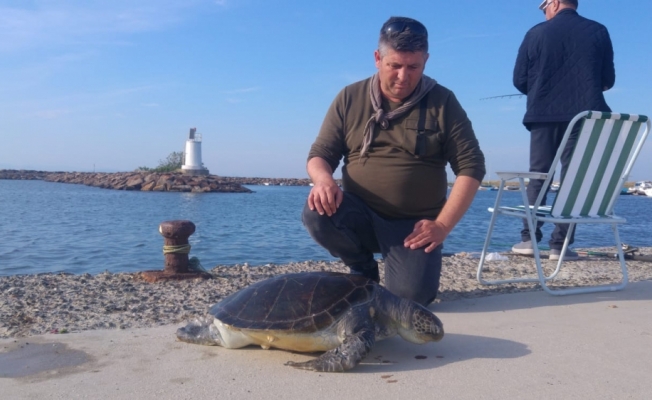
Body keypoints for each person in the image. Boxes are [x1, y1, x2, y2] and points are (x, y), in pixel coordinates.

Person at [302, 16, 485, 306]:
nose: (403, 77)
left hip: (412, 227)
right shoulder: (349, 97)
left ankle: (406, 271)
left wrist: (442, 226)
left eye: (413, 67)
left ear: (426, 60)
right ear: (378, 58)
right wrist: (324, 180)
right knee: (316, 211)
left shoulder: (443, 101)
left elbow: (472, 166)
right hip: (359, 216)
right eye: (395, 66)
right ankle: (362, 268)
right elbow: (320, 155)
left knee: (410, 299)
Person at [511, 0, 615, 260]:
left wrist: (540, 91)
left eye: (543, 6)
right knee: (573, 180)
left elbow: (519, 80)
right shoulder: (598, 31)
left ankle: (529, 240)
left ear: (554, 2)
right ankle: (560, 245)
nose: (544, 12)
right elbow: (608, 80)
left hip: (543, 116)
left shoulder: (535, 33)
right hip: (586, 117)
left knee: (539, 176)